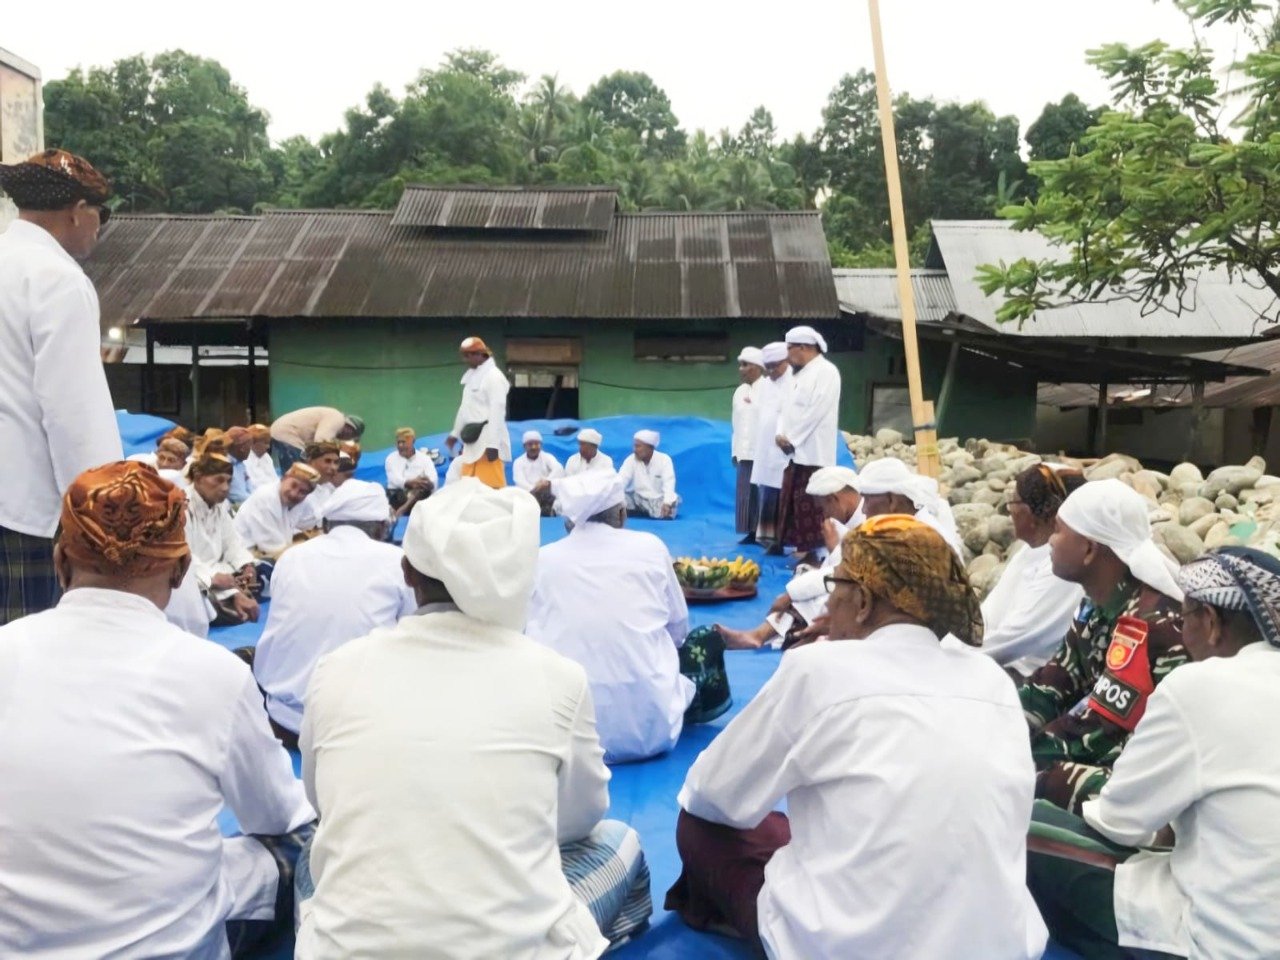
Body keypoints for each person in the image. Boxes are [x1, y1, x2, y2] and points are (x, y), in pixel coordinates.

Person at [295, 479, 652, 958]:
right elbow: (580, 817)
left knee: (312, 854)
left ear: (406, 570)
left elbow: (323, 801)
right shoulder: (558, 678)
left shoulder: (335, 670)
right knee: (618, 841)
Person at [667, 515, 1047, 960]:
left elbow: (711, 795)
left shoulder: (819, 669)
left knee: (701, 827)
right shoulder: (992, 680)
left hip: (849, 947)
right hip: (998, 945)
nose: (828, 611)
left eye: (836, 587)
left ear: (864, 601)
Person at [0, 461, 314, 958]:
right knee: (303, 848)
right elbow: (279, 815)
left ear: (61, 562)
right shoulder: (215, 674)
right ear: (183, 569)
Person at [1027, 546, 1280, 960]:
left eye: (1186, 620)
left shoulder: (1199, 685)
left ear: (1212, 622)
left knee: (1022, 825)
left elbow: (1119, 821)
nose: (1181, 632)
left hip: (1219, 944)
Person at [0, 149, 123, 624]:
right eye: (101, 214)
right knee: (21, 674)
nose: (98, 227)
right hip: (22, 514)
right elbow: (75, 414)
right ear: (78, 212)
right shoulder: (58, 280)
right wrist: (105, 522)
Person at [1021, 478, 1187, 814]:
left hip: (1146, 773)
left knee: (1040, 782)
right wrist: (992, 725)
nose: (1050, 541)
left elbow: (1096, 733)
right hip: (1110, 749)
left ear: (1089, 550)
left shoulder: (1148, 624)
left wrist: (1013, 756)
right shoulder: (1094, 606)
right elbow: (1051, 686)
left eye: (1058, 531)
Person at [527, 471, 694, 763]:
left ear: (570, 521)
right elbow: (679, 630)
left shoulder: (543, 559)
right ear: (621, 513)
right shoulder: (651, 547)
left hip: (563, 736)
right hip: (652, 730)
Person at [252, 480, 413, 749]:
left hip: (284, 721)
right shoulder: (397, 561)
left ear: (327, 525)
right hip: (359, 728)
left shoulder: (291, 558)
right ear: (382, 526)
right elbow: (411, 633)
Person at [716, 466, 862, 651]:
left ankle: (771, 635)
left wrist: (790, 594)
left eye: (825, 507)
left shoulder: (871, 521)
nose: (824, 514)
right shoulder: (844, 520)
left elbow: (848, 573)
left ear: (834, 499)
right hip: (845, 579)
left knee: (819, 591)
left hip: (863, 593)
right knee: (806, 575)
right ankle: (761, 635)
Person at [981, 464, 1087, 676]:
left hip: (1029, 676)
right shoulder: (1028, 552)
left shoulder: (1063, 567)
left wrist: (952, 655)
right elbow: (988, 614)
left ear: (1033, 514)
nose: (1009, 509)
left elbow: (1017, 637)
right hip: (992, 657)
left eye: (1014, 501)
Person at [775, 325, 842, 563]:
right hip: (794, 452)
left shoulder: (827, 372)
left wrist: (792, 438)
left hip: (814, 451)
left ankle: (814, 550)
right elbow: (785, 409)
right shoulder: (799, 375)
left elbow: (816, 411)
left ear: (803, 348)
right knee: (795, 501)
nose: (788, 355)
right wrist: (781, 434)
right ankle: (801, 547)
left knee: (812, 503)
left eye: (790, 349)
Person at [185, 444, 260, 625]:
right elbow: (183, 557)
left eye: (228, 481)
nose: (225, 488)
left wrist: (246, 566)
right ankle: (233, 600)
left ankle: (235, 597)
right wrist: (213, 580)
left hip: (222, 572)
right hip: (195, 576)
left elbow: (232, 543)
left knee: (262, 570)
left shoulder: (220, 507)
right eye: (218, 480)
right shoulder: (182, 507)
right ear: (198, 477)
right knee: (205, 603)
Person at [857, 456, 965, 556]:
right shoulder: (911, 530)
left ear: (892, 501)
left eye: (867, 500)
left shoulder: (921, 541)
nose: (863, 510)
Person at [445, 335, 510, 489]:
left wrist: (493, 444)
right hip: (472, 441)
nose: (467, 360)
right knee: (468, 488)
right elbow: (464, 409)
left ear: (481, 355)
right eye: (465, 356)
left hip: (488, 440)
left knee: (490, 488)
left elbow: (497, 410)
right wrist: (455, 433)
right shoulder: (471, 379)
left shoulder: (494, 377)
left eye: (470, 355)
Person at [749, 342, 793, 554]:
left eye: (776, 366)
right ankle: (768, 538)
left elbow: (790, 413)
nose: (772, 371)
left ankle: (784, 540)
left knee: (784, 494)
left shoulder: (795, 381)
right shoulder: (766, 384)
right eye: (769, 367)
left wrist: (782, 434)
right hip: (765, 447)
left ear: (786, 361)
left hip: (785, 445)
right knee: (767, 491)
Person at [234, 463, 321, 560]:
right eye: (293, 485)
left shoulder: (295, 502)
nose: (294, 493)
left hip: (272, 553)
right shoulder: (266, 498)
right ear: (283, 479)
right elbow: (273, 549)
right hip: (247, 556)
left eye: (302, 492)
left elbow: (308, 524)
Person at [731, 346, 765, 543]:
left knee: (764, 494)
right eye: (740, 365)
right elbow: (736, 422)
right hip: (744, 451)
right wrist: (735, 450)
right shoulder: (739, 392)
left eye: (745, 365)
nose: (741, 369)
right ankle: (751, 532)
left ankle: (766, 533)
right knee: (746, 494)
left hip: (764, 451)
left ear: (758, 367)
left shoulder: (769, 389)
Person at [270, 407, 363, 471]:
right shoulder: (338, 419)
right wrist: (340, 456)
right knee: (298, 472)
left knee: (298, 469)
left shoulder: (332, 420)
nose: (345, 439)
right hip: (287, 433)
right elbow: (321, 442)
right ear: (350, 430)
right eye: (350, 436)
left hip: (283, 432)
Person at [618, 429, 679, 519]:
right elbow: (620, 481)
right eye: (634, 446)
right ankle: (639, 510)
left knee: (671, 504)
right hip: (636, 498)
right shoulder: (630, 460)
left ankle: (647, 511)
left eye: (638, 446)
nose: (635, 450)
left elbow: (669, 483)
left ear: (650, 447)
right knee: (617, 499)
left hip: (657, 499)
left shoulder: (664, 460)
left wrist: (667, 503)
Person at [292, 440, 342, 533]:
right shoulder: (295, 490)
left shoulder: (329, 489)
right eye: (327, 461)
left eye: (336, 462)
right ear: (310, 461)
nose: (333, 467)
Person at [512, 429, 564, 515]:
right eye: (530, 444)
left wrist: (546, 481)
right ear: (524, 446)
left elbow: (559, 469)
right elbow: (519, 481)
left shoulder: (547, 457)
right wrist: (535, 489)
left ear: (541, 445)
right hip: (528, 494)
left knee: (559, 502)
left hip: (546, 492)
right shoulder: (518, 462)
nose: (533, 447)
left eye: (536, 444)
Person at [384, 427, 436, 510]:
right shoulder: (390, 459)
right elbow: (395, 479)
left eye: (403, 442)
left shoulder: (425, 459)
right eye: (398, 442)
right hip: (397, 495)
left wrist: (426, 482)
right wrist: (410, 482)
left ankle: (404, 509)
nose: (400, 445)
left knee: (422, 490)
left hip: (419, 493)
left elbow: (433, 480)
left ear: (413, 441)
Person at [245, 423, 279, 491]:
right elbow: (253, 485)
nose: (268, 447)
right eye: (265, 443)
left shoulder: (266, 457)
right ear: (252, 443)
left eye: (269, 443)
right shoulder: (245, 460)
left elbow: (275, 479)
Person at [225, 426, 253, 505]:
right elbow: (236, 495)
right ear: (242, 448)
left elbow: (249, 487)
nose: (250, 451)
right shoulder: (226, 465)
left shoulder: (241, 464)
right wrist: (256, 501)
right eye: (249, 447)